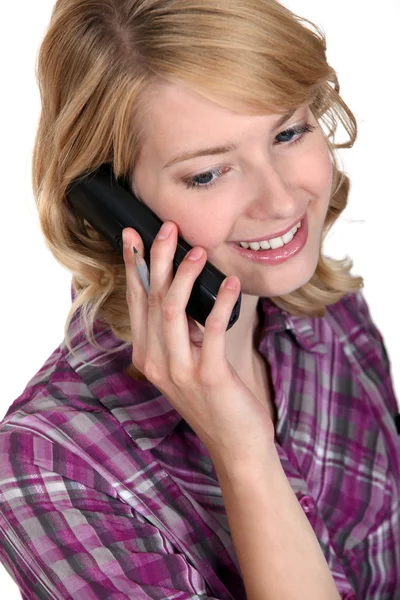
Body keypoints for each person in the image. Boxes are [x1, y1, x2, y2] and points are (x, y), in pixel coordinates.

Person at [0, 0, 399, 598]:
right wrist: (244, 456)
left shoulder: (324, 310)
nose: (283, 203)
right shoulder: (50, 465)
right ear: (108, 201)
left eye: (288, 133)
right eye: (209, 173)